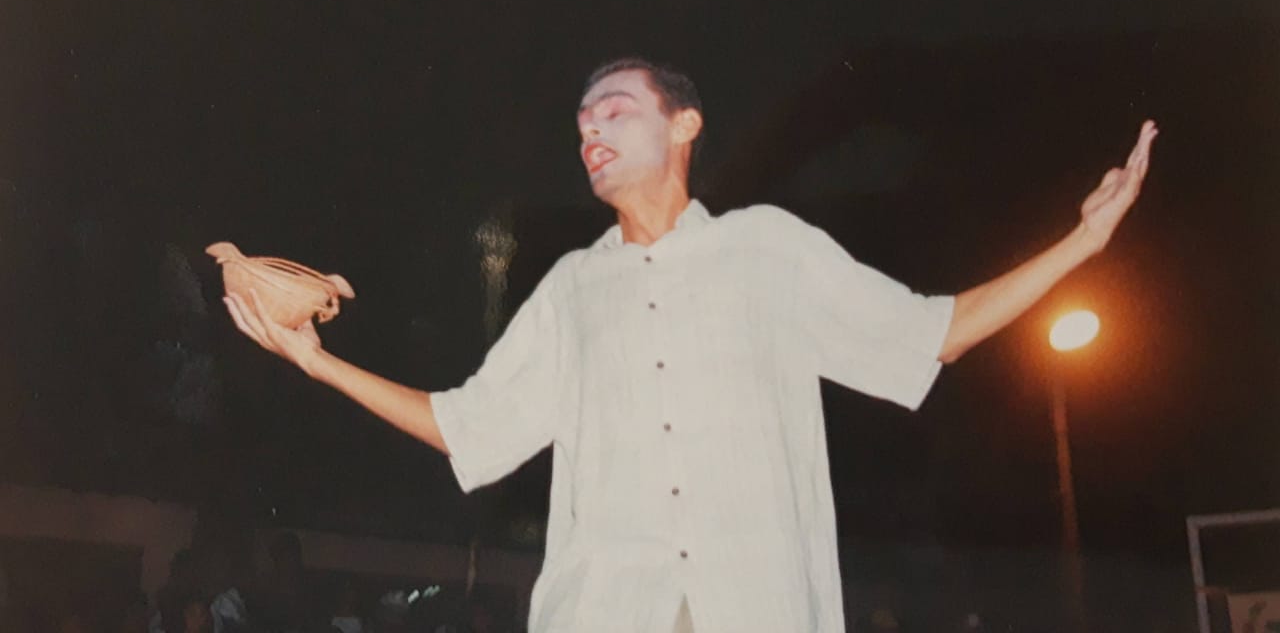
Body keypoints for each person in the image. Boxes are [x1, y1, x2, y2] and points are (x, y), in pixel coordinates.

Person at [224, 58, 1157, 632]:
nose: (591, 131)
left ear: (684, 124)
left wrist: (1082, 243)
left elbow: (934, 332)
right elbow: (466, 426)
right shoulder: (571, 290)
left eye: (614, 109)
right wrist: (315, 360)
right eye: (582, 124)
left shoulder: (768, 249)